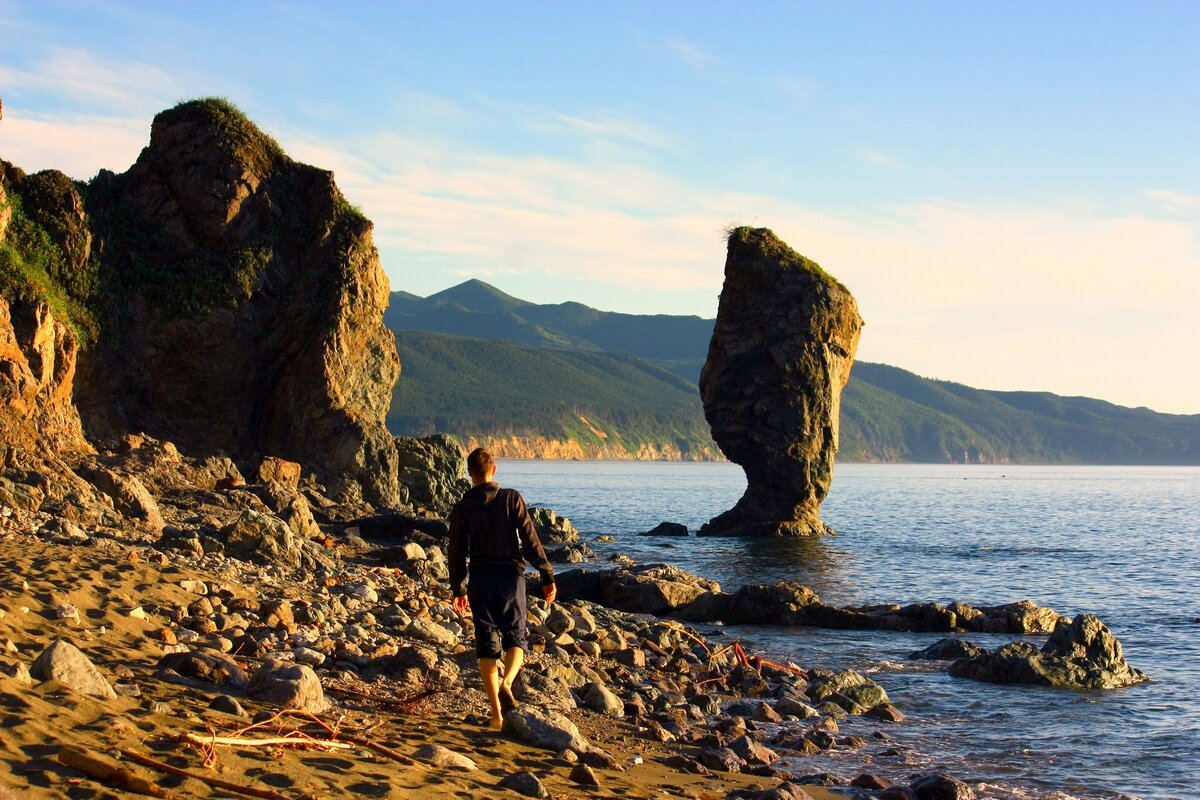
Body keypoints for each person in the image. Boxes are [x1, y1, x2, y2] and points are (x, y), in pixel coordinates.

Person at [448, 448, 557, 730]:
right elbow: (530, 538)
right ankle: (507, 683)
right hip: (510, 577)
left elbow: (456, 551)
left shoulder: (462, 508)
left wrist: (458, 587)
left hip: (481, 580)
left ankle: (496, 715)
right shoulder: (510, 498)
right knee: (516, 636)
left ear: (469, 473)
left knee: (486, 643)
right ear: (493, 469)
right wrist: (546, 574)